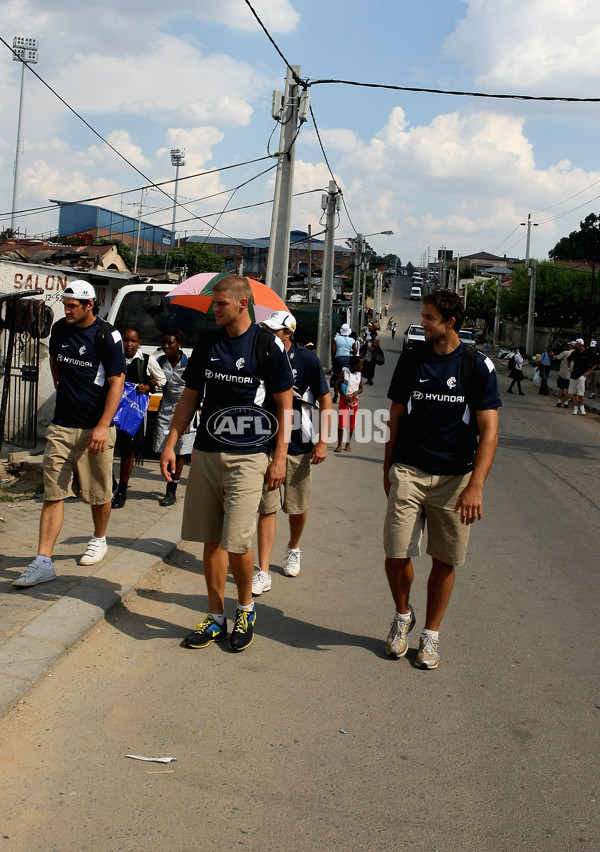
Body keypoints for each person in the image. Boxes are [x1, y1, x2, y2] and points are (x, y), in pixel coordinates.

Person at [160, 275, 294, 652]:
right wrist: (172, 443)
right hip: (206, 452)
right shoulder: (208, 343)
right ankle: (216, 616)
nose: (213, 309)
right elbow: (190, 396)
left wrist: (279, 458)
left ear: (242, 304)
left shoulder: (267, 346)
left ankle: (246, 609)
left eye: (220, 304)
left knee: (237, 542)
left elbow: (286, 406)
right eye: (213, 303)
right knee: (211, 538)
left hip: (249, 456)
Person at [383, 290, 500, 669]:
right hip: (409, 471)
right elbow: (395, 418)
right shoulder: (412, 361)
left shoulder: (476, 366)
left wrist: (476, 485)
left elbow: (490, 432)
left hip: (455, 478)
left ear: (450, 322)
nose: (423, 323)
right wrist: (388, 468)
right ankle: (403, 615)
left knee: (444, 558)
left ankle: (430, 635)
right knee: (396, 551)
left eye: (429, 318)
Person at [12, 281, 126, 588]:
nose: (66, 310)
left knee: (99, 493)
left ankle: (99, 539)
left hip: (95, 429)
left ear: (90, 305)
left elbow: (117, 381)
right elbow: (54, 360)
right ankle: (43, 561)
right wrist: (61, 385)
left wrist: (103, 425)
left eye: (72, 305)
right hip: (62, 427)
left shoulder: (107, 336)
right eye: (65, 304)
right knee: (54, 493)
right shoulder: (61, 329)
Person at [252, 311, 332, 595]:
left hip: (298, 443)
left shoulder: (308, 360)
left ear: (289, 333)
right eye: (269, 329)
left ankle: (294, 548)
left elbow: (325, 399)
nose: (271, 334)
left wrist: (323, 441)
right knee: (266, 506)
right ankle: (262, 570)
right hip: (266, 441)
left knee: (296, 506)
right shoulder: (261, 354)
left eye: (276, 330)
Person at [112, 327, 166, 509]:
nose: (129, 344)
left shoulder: (147, 361)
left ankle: (122, 491)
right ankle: (111, 483)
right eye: (126, 340)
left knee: (128, 450)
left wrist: (149, 386)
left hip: (133, 412)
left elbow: (162, 379)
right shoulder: (115, 358)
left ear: (139, 343)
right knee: (108, 448)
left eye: (133, 341)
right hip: (113, 409)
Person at [153, 329, 195, 507]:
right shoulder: (159, 361)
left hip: (185, 409)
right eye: (163, 342)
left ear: (180, 345)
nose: (166, 346)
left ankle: (171, 490)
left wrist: (189, 418)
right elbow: (151, 379)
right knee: (165, 449)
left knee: (179, 450)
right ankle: (169, 480)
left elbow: (196, 393)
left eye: (170, 343)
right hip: (166, 409)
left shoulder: (189, 364)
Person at [334, 355, 363, 452]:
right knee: (342, 423)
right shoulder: (344, 373)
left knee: (351, 424)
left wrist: (355, 394)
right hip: (344, 400)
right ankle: (339, 444)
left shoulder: (359, 375)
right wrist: (343, 395)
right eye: (360, 365)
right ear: (355, 365)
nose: (361, 367)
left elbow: (361, 388)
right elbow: (337, 385)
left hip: (354, 402)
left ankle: (348, 443)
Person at [330, 323, 357, 404]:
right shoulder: (352, 340)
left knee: (336, 375)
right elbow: (355, 351)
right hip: (347, 359)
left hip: (338, 358)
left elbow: (333, 351)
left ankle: (336, 393)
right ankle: (344, 394)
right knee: (345, 377)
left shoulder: (336, 338)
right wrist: (349, 351)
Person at [567, 339, 589, 415]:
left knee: (581, 394)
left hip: (582, 375)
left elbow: (595, 363)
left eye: (577, 343)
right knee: (574, 393)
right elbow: (568, 360)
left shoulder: (587, 353)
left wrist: (589, 371)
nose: (575, 345)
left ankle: (582, 409)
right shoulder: (575, 352)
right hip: (574, 375)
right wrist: (569, 368)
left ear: (580, 344)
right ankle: (575, 409)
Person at [553, 341, 575, 408]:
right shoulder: (577, 354)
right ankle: (566, 402)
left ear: (571, 346)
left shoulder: (566, 353)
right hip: (571, 375)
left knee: (561, 388)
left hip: (563, 373)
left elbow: (557, 357)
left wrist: (552, 355)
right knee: (568, 389)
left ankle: (559, 401)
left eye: (569, 345)